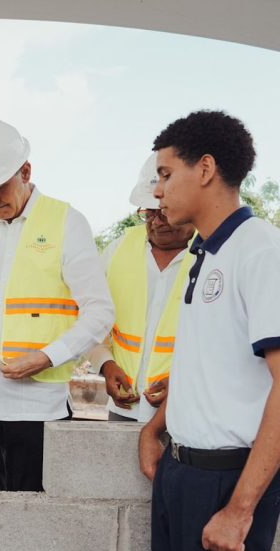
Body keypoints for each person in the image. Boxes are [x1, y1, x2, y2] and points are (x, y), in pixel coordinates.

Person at [139, 110, 280, 551]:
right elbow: (208, 362)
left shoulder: (259, 249)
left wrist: (239, 510)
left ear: (207, 169)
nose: (157, 189)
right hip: (181, 476)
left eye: (165, 174)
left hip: (225, 482)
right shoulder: (207, 252)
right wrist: (159, 426)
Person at [0, 119, 113, 491]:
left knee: (33, 521)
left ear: (26, 171)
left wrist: (47, 357)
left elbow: (99, 311)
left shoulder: (67, 221)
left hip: (38, 409)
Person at [88, 153, 196, 423]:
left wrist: (185, 384)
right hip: (125, 408)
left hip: (187, 413)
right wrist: (105, 364)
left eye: (164, 212)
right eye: (149, 213)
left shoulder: (216, 254)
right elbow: (91, 319)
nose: (157, 222)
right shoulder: (118, 250)